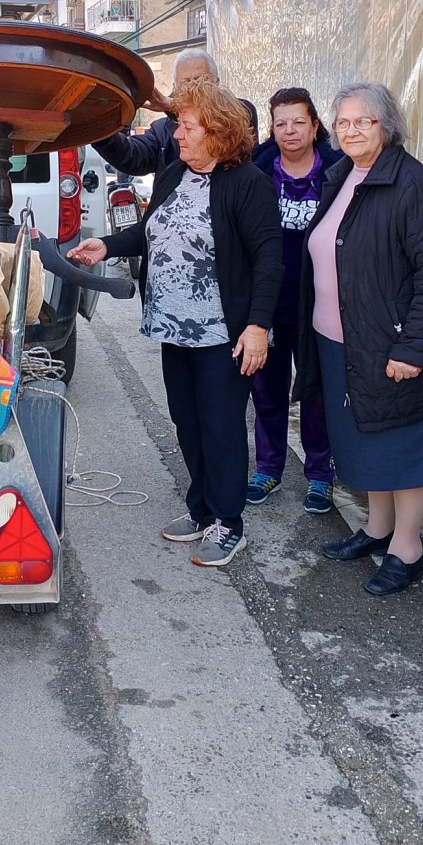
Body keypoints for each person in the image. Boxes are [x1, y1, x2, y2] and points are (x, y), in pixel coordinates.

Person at [68, 81, 283, 568]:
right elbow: (149, 232)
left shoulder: (248, 184)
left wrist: (257, 326)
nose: (176, 135)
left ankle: (229, 523)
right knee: (187, 421)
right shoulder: (173, 175)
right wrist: (107, 244)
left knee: (222, 425)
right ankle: (202, 507)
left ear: (217, 130)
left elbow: (270, 261)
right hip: (174, 326)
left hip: (222, 334)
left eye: (185, 127)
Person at [294, 82, 423, 596]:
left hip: (394, 345)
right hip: (341, 341)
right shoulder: (344, 174)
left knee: (404, 445)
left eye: (363, 122)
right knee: (366, 439)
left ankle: (408, 547)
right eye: (343, 122)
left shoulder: (415, 187)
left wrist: (414, 349)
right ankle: (377, 529)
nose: (350, 131)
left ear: (386, 127)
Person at [248, 88, 342, 514]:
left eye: (298, 122)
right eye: (281, 122)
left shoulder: (339, 173)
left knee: (315, 390)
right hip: (268, 304)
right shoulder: (257, 171)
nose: (289, 131)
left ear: (315, 125)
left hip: (319, 305)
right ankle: (268, 468)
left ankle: (321, 475)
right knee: (266, 389)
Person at [91, 49, 258, 181]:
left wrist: (171, 105)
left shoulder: (240, 113)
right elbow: (131, 157)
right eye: (186, 82)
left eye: (200, 80)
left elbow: (225, 119)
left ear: (217, 82)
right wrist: (96, 125)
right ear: (175, 87)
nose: (194, 87)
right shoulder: (161, 131)